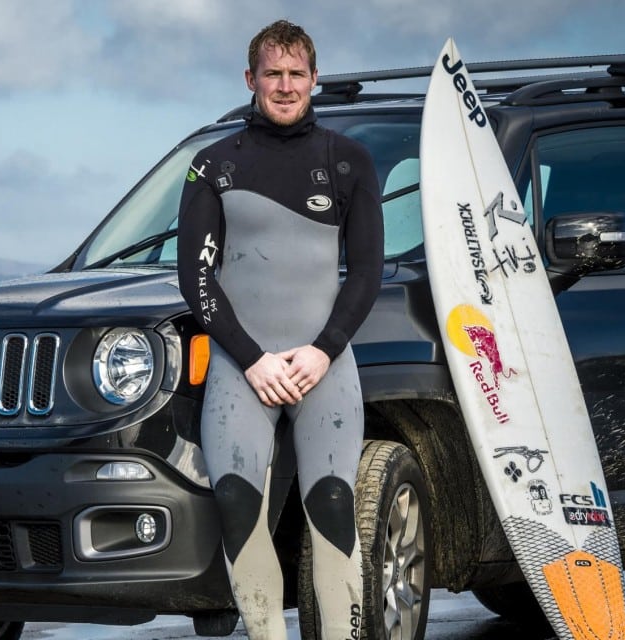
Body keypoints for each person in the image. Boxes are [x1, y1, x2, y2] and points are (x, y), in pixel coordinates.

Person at [176, 19, 383, 639]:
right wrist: (253, 358)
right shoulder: (213, 165)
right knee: (239, 503)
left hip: (324, 364)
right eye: (273, 73)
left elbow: (367, 273)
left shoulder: (348, 161)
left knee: (332, 505)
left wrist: (322, 353)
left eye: (296, 74)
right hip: (245, 367)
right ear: (251, 80)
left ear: (314, 79)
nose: (285, 86)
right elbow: (197, 277)